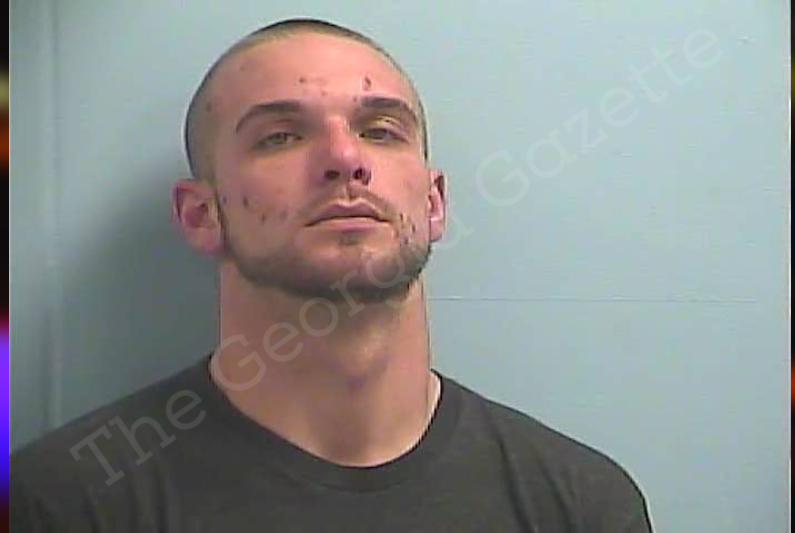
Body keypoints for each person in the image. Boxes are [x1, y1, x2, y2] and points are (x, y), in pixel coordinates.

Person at [10, 18, 653, 532]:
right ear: (202, 215)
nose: (345, 159)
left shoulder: (578, 504)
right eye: (280, 137)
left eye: (381, 130)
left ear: (433, 204)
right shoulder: (69, 502)